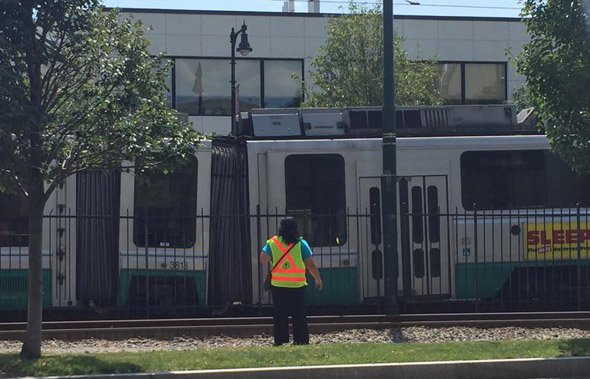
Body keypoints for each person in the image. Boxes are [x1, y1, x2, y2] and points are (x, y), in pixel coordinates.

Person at [260, 217, 323, 346]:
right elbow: (310, 264)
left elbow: (263, 260)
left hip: (278, 285)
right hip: (297, 285)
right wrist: (317, 278)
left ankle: (280, 340)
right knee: (299, 314)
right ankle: (300, 340)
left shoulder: (273, 243)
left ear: (281, 228)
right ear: (296, 228)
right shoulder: (301, 243)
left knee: (280, 314)